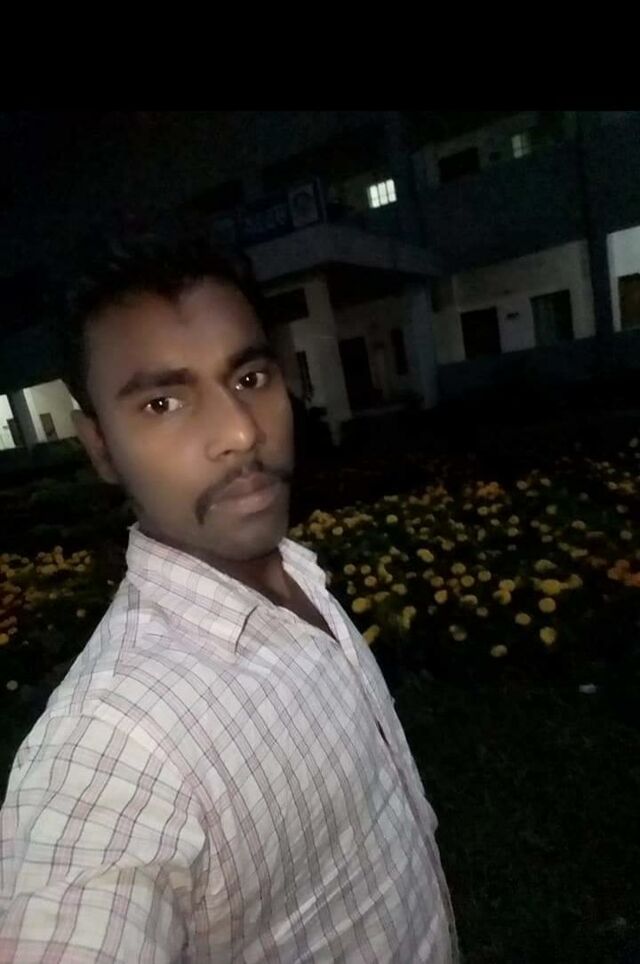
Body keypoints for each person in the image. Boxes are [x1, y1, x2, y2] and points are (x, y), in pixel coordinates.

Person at [0, 231, 458, 963]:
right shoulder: (112, 743)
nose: (241, 432)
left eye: (249, 378)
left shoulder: (296, 573)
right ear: (100, 448)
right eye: (162, 402)